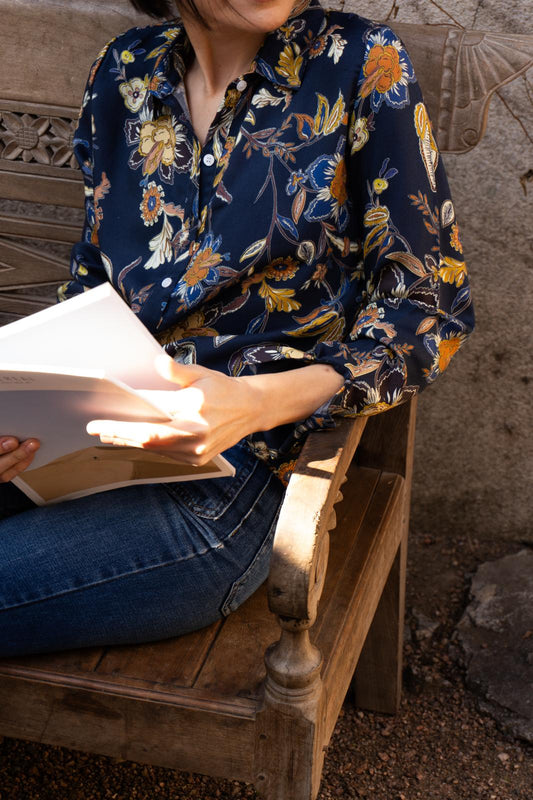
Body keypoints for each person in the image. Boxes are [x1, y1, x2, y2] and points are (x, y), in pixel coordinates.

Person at [0, 0, 474, 657]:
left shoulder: (359, 64)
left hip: (228, 488)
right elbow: (91, 287)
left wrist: (254, 403)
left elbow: (426, 306)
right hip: (86, 450)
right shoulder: (123, 75)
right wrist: (26, 415)